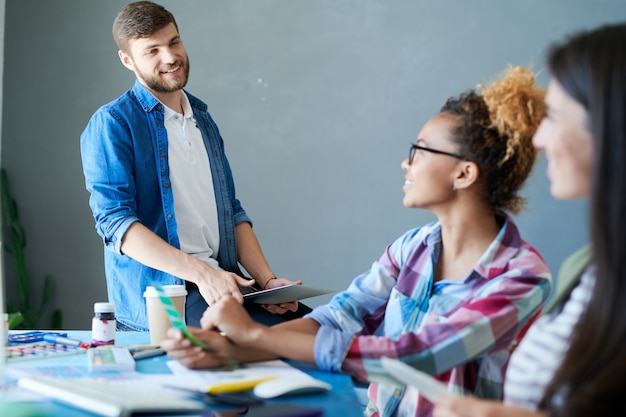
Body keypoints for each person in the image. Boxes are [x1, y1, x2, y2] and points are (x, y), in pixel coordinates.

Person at [162, 65, 552, 417]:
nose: (406, 162)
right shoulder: (412, 248)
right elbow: (336, 319)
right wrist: (230, 350)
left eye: (419, 150)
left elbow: (420, 355)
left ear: (464, 174)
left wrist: (254, 335)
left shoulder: (522, 277)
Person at [433, 22, 626, 417]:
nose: (538, 140)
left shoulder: (523, 273)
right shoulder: (591, 269)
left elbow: (423, 349)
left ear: (608, 122)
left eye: (553, 116)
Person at [80, 1, 310, 331]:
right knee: (266, 343)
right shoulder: (112, 123)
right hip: (168, 295)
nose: (170, 57)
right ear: (127, 60)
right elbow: (116, 224)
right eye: (152, 50)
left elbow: (231, 212)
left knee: (319, 330)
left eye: (174, 42)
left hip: (224, 283)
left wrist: (268, 282)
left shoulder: (202, 119)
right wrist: (203, 274)